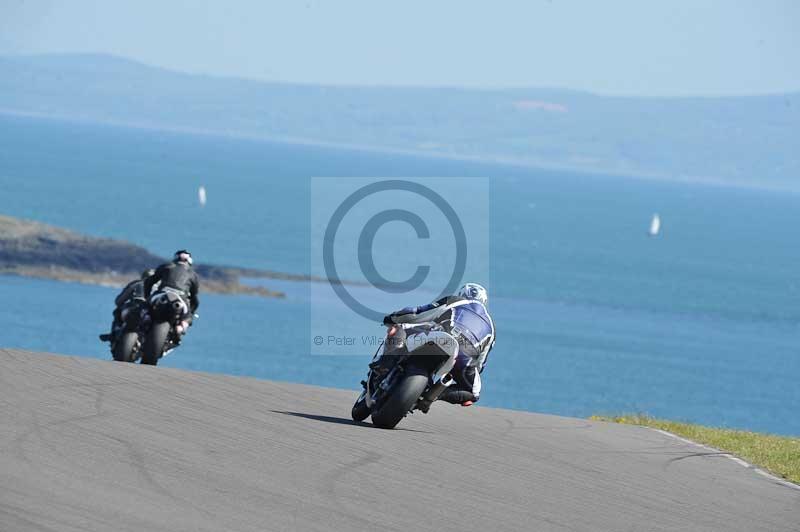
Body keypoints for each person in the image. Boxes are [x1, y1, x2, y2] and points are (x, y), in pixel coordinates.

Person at [377, 282, 495, 408]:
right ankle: (432, 395)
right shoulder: (492, 328)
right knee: (473, 393)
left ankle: (385, 365)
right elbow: (480, 364)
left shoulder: (455, 301)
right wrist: (467, 372)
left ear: (462, 294)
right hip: (465, 357)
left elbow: (417, 313)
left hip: (442, 335)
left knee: (400, 328)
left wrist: (393, 318)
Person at [143, 250, 200, 337]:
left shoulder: (166, 266)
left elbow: (149, 282)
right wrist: (191, 313)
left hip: (161, 295)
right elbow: (194, 296)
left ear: (175, 258)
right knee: (187, 317)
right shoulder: (193, 275)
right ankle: (181, 327)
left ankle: (145, 317)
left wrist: (147, 297)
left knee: (144, 308)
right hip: (181, 299)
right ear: (189, 261)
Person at [99, 268, 154, 343]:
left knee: (117, 311)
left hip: (132, 309)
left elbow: (119, 301)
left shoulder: (136, 283)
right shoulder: (159, 288)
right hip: (150, 315)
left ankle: (114, 333)